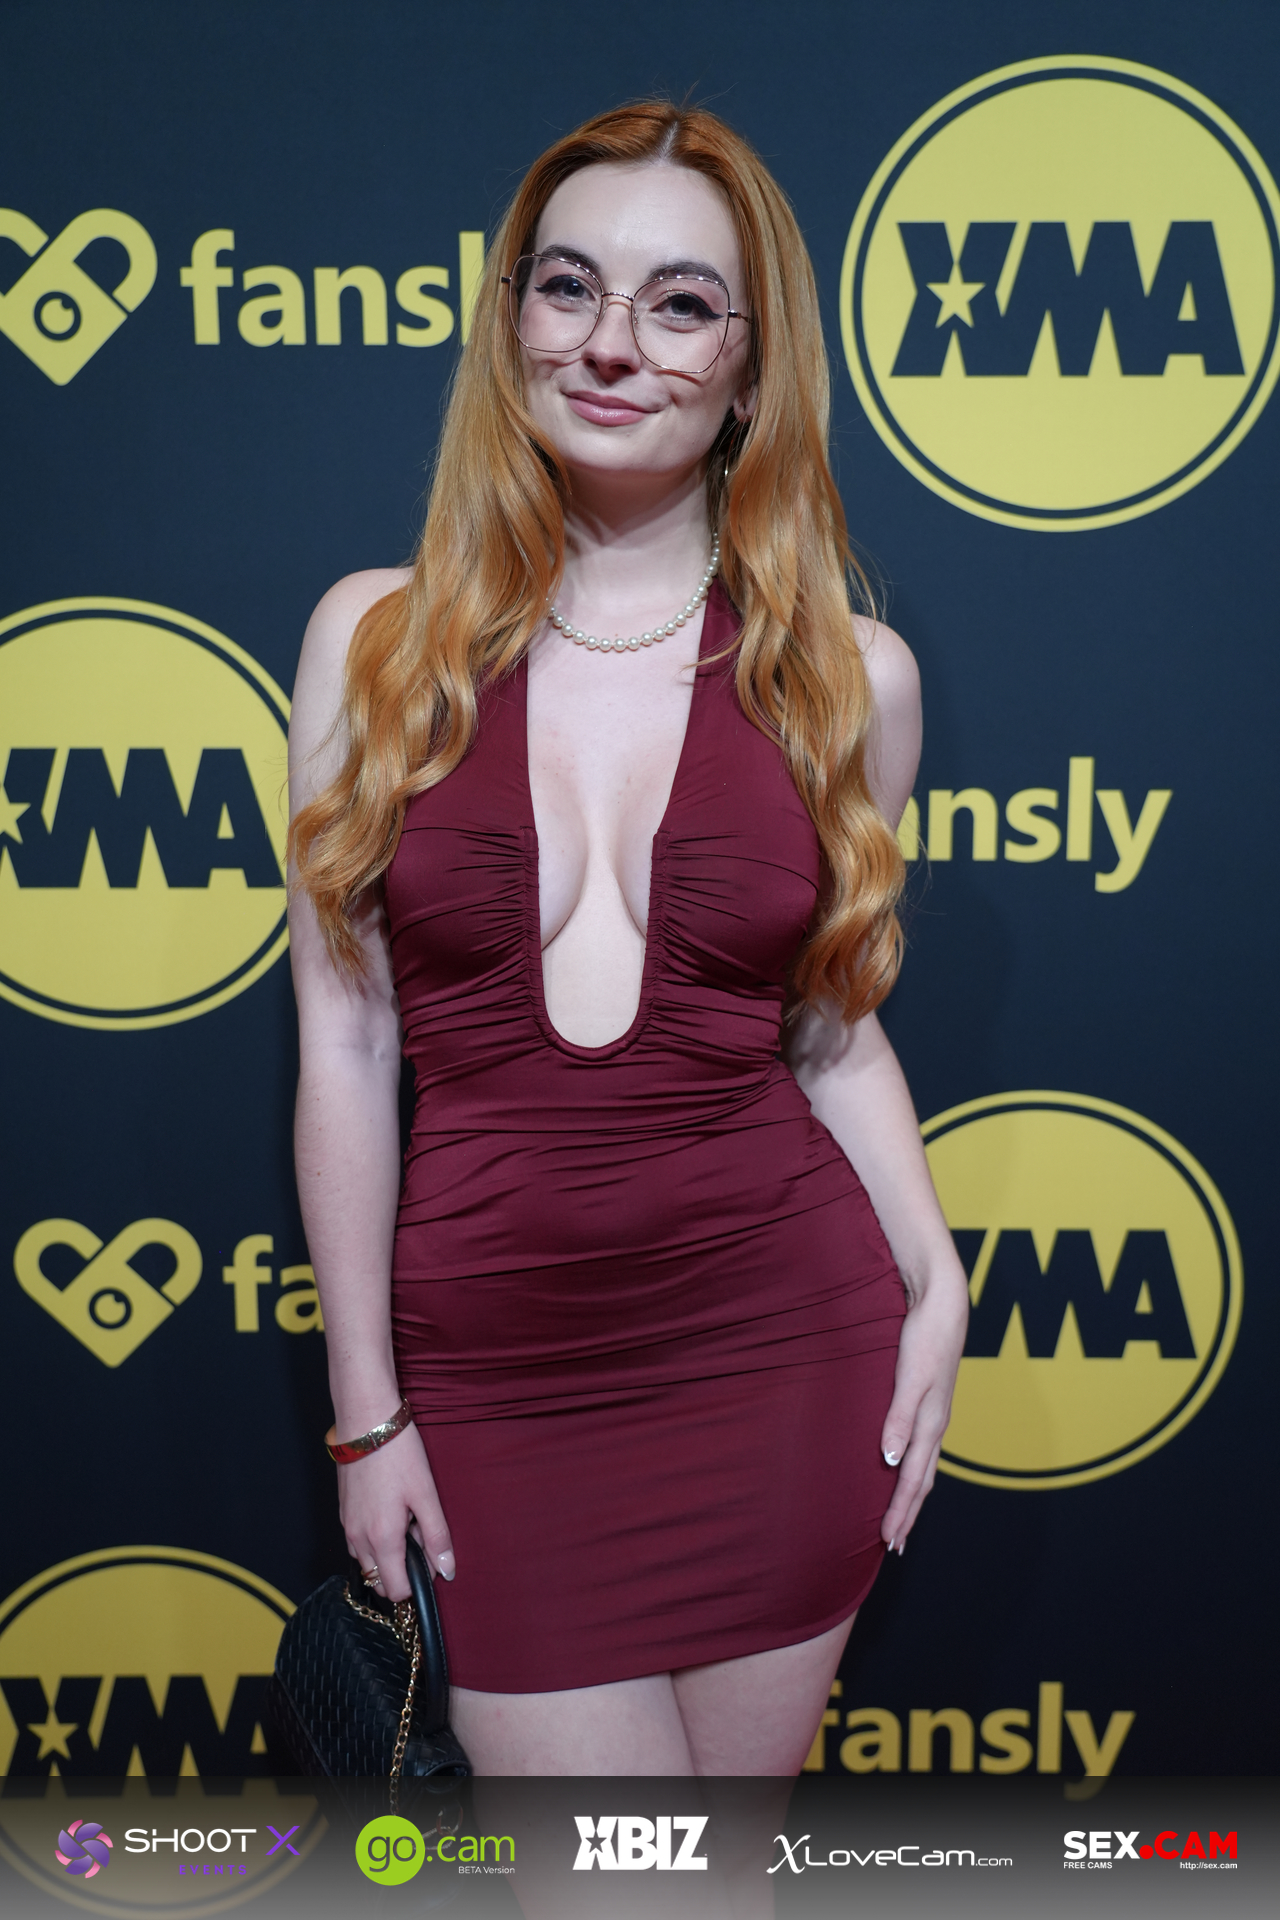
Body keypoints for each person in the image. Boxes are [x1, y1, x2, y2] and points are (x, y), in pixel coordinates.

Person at [287, 100, 968, 1778]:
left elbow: (830, 1031)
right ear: (511, 314)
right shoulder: (374, 646)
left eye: (679, 304)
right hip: (496, 1383)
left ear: (751, 367)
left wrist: (936, 1273)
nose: (609, 343)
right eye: (568, 285)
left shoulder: (848, 679)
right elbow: (347, 1044)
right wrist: (366, 1415)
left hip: (783, 1351)